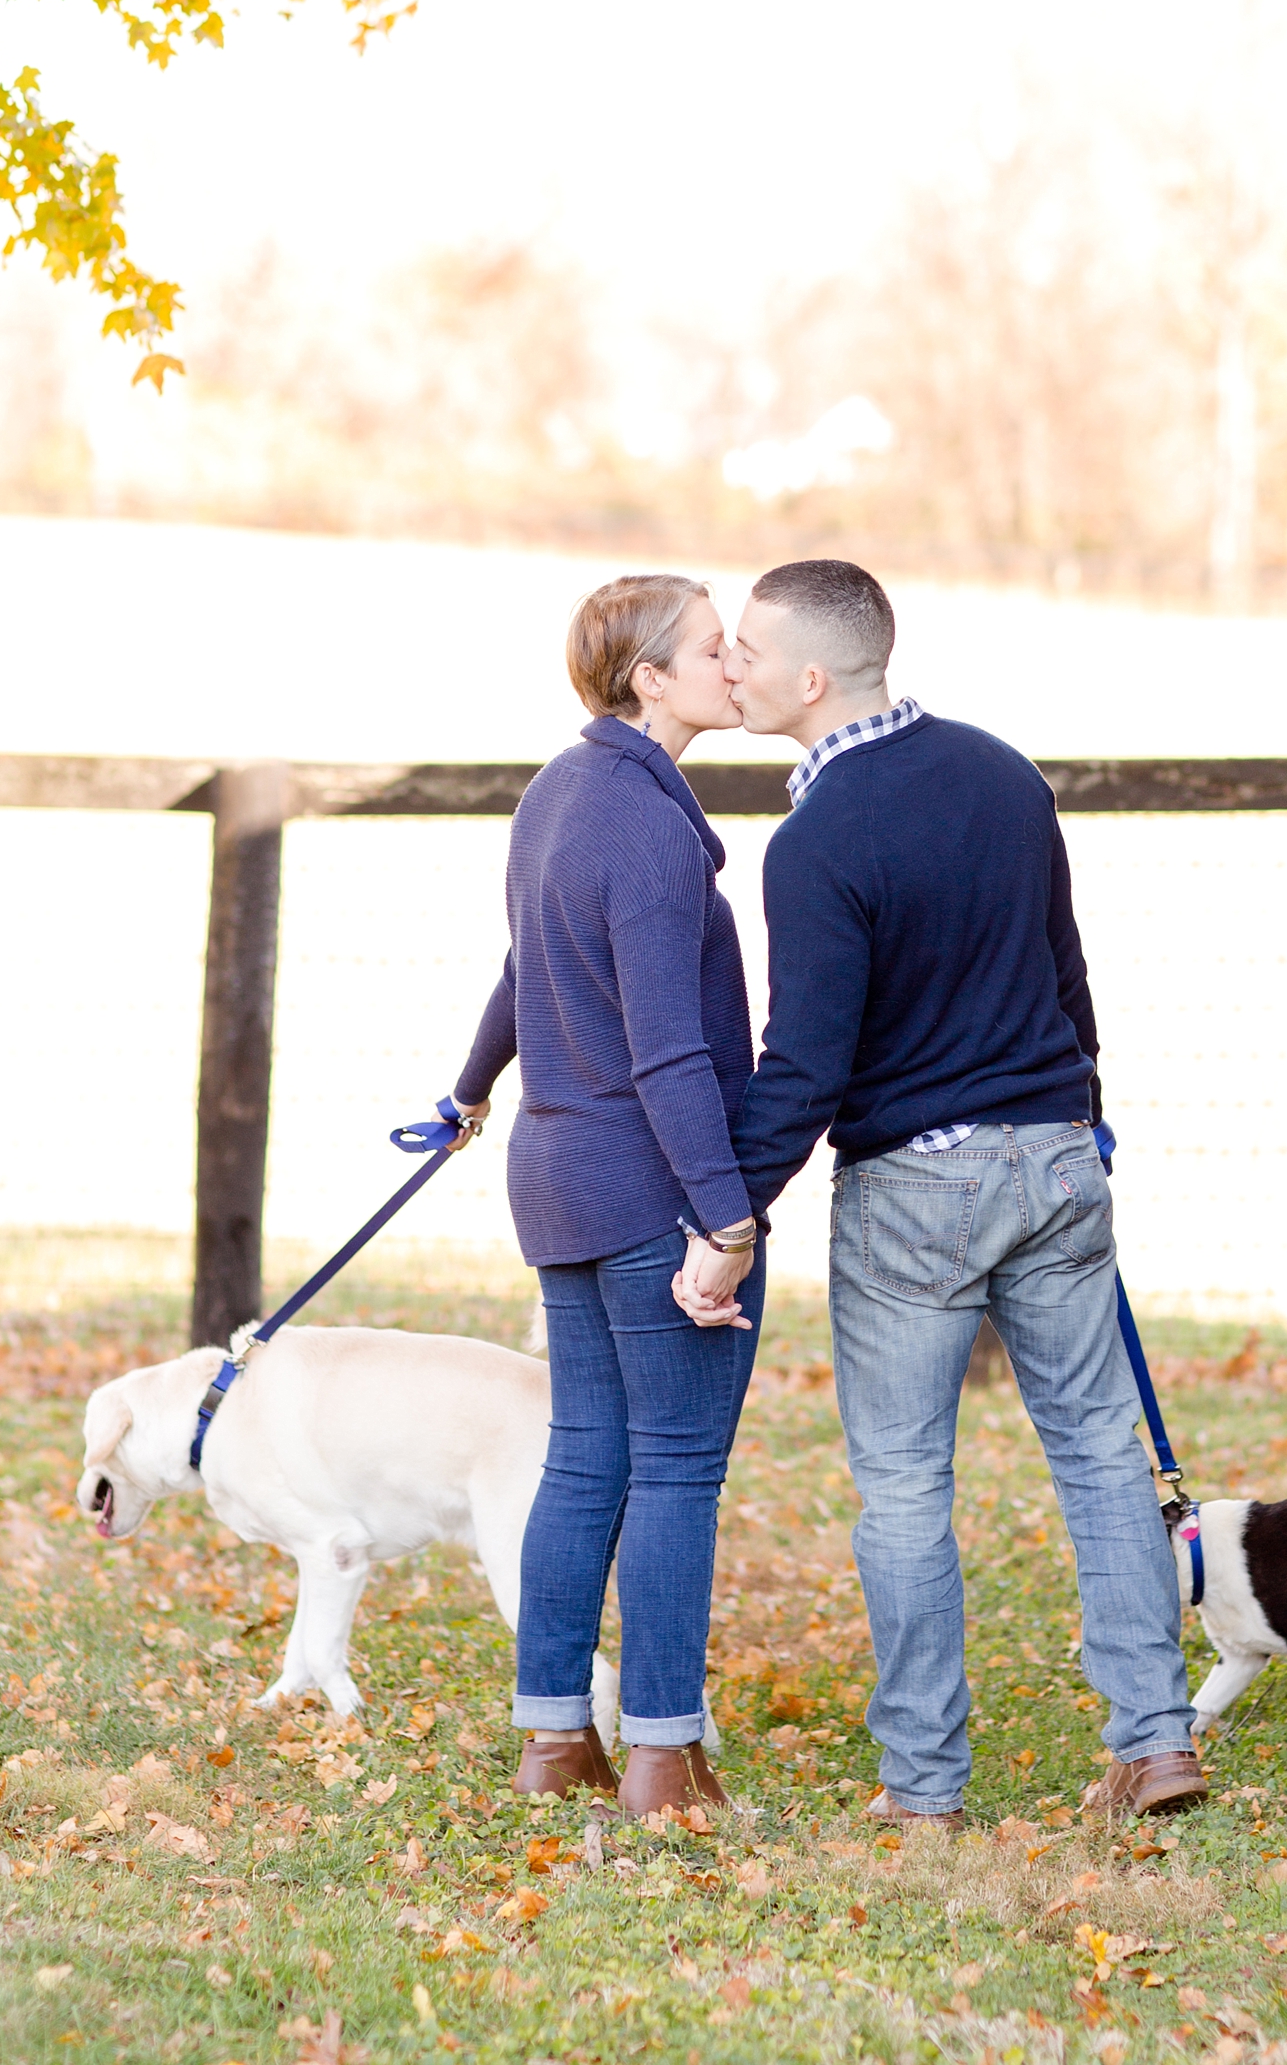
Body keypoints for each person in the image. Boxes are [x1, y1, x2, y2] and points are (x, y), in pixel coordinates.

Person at [674, 556, 1203, 1829]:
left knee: (906, 1483)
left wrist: (725, 1219)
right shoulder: (1003, 772)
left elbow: (803, 1064)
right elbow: (1066, 974)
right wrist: (1079, 1112)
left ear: (810, 678)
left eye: (744, 647)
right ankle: (1156, 1741)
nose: (729, 665)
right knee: (1095, 1451)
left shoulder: (815, 842)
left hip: (919, 1185)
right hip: (1055, 1153)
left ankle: (922, 1787)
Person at [453, 572, 763, 1816]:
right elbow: (666, 1048)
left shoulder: (561, 789)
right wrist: (723, 1219)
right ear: (651, 680)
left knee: (585, 1459)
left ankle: (551, 1743)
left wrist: (472, 1086)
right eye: (711, 647)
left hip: (554, 1168)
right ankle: (662, 1758)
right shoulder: (638, 823)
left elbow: (528, 960)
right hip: (643, 1181)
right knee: (674, 1472)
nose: (734, 661)